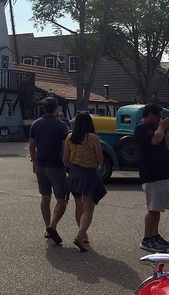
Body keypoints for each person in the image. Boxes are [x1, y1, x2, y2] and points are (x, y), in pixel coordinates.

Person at [134, 103, 169, 252]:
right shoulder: (141, 128)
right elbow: (155, 140)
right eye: (158, 116)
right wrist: (162, 128)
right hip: (152, 175)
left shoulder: (156, 129)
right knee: (152, 208)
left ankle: (155, 235)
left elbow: (165, 141)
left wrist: (166, 130)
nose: (160, 119)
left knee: (158, 209)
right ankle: (146, 239)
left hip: (163, 174)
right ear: (150, 115)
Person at [63, 112, 107, 252]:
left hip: (74, 174)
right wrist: (94, 163)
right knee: (89, 208)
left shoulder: (69, 137)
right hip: (88, 174)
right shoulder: (93, 138)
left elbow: (65, 158)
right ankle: (80, 235)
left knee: (78, 207)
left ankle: (83, 234)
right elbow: (100, 158)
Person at [28, 96, 68, 245]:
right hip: (56, 165)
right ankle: (53, 225)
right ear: (56, 109)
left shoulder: (36, 124)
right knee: (61, 199)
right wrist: (67, 160)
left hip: (41, 165)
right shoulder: (61, 125)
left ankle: (47, 228)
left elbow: (32, 145)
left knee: (45, 197)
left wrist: (34, 161)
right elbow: (66, 145)